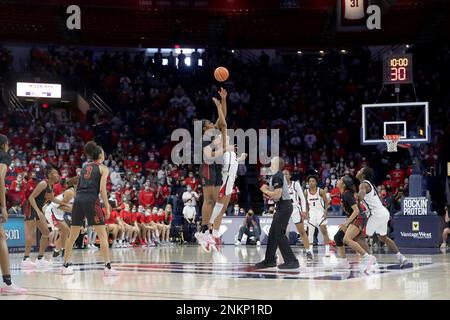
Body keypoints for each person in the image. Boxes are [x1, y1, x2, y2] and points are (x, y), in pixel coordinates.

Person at [61, 141, 118, 276]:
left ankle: (64, 266)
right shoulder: (103, 168)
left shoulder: (85, 166)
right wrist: (107, 207)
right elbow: (102, 189)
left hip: (79, 199)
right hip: (91, 200)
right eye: (103, 152)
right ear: (100, 155)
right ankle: (108, 268)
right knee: (103, 235)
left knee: (72, 235)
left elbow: (78, 183)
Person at [195, 87, 232, 252]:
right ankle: (203, 230)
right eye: (209, 123)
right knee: (208, 200)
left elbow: (222, 118)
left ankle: (206, 231)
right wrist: (225, 149)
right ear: (204, 128)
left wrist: (223, 100)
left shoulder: (213, 132)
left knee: (215, 200)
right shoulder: (205, 137)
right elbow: (208, 156)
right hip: (208, 167)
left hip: (217, 168)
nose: (212, 123)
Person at [208, 96, 247, 248]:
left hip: (231, 177)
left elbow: (223, 116)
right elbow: (222, 118)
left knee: (223, 208)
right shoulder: (217, 140)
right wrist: (220, 106)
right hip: (223, 177)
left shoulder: (228, 147)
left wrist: (239, 158)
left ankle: (215, 235)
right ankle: (207, 228)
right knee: (219, 205)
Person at [356, 166, 408, 267]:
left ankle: (371, 261)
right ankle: (401, 257)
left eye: (360, 170)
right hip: (384, 213)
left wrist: (356, 196)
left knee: (360, 237)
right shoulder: (369, 184)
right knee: (383, 237)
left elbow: (361, 195)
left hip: (376, 214)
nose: (357, 171)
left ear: (363, 175)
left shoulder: (363, 184)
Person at [256, 156, 299, 270]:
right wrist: (268, 193)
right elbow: (274, 196)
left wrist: (265, 190)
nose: (270, 163)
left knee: (279, 233)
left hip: (284, 206)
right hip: (281, 206)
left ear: (277, 164)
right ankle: (269, 260)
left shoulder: (278, 176)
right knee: (273, 233)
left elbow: (278, 195)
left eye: (272, 162)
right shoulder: (275, 176)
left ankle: (292, 261)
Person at [0, 134, 26, 294]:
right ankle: (8, 284)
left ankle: (8, 283)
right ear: (4, 145)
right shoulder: (3, 156)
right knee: (1, 238)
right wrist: (3, 205)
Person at [22, 164, 61, 268]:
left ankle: (40, 258)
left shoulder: (51, 185)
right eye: (55, 173)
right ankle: (25, 259)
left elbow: (52, 199)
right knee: (32, 233)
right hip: (31, 207)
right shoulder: (43, 183)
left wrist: (65, 204)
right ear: (49, 175)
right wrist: (38, 212)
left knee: (46, 232)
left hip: (38, 209)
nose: (58, 175)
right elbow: (31, 197)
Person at [334, 175, 375, 272]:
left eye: (340, 179)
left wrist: (346, 223)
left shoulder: (346, 194)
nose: (338, 180)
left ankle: (368, 258)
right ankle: (344, 263)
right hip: (355, 217)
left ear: (343, 184)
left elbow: (356, 211)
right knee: (338, 237)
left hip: (359, 217)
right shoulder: (344, 193)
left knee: (346, 239)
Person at [45, 176, 78, 260]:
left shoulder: (76, 193)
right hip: (52, 211)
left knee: (64, 232)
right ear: (74, 185)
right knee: (66, 230)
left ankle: (56, 251)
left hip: (59, 213)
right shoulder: (70, 192)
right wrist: (73, 210)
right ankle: (64, 251)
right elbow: (60, 206)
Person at [283, 169, 313, 262]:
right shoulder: (280, 186)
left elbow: (303, 199)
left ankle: (308, 251)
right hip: (285, 210)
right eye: (283, 174)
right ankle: (280, 254)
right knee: (282, 233)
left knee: (302, 232)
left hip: (295, 209)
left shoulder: (295, 184)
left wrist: (303, 211)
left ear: (290, 176)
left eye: (286, 174)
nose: (284, 175)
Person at [305, 175, 331, 257]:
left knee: (324, 231)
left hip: (320, 212)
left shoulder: (321, 191)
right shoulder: (306, 192)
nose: (311, 183)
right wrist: (306, 212)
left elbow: (326, 202)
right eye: (310, 181)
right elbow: (305, 203)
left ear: (316, 182)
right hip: (311, 213)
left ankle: (327, 250)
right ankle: (310, 251)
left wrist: (326, 212)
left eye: (313, 181)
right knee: (310, 233)